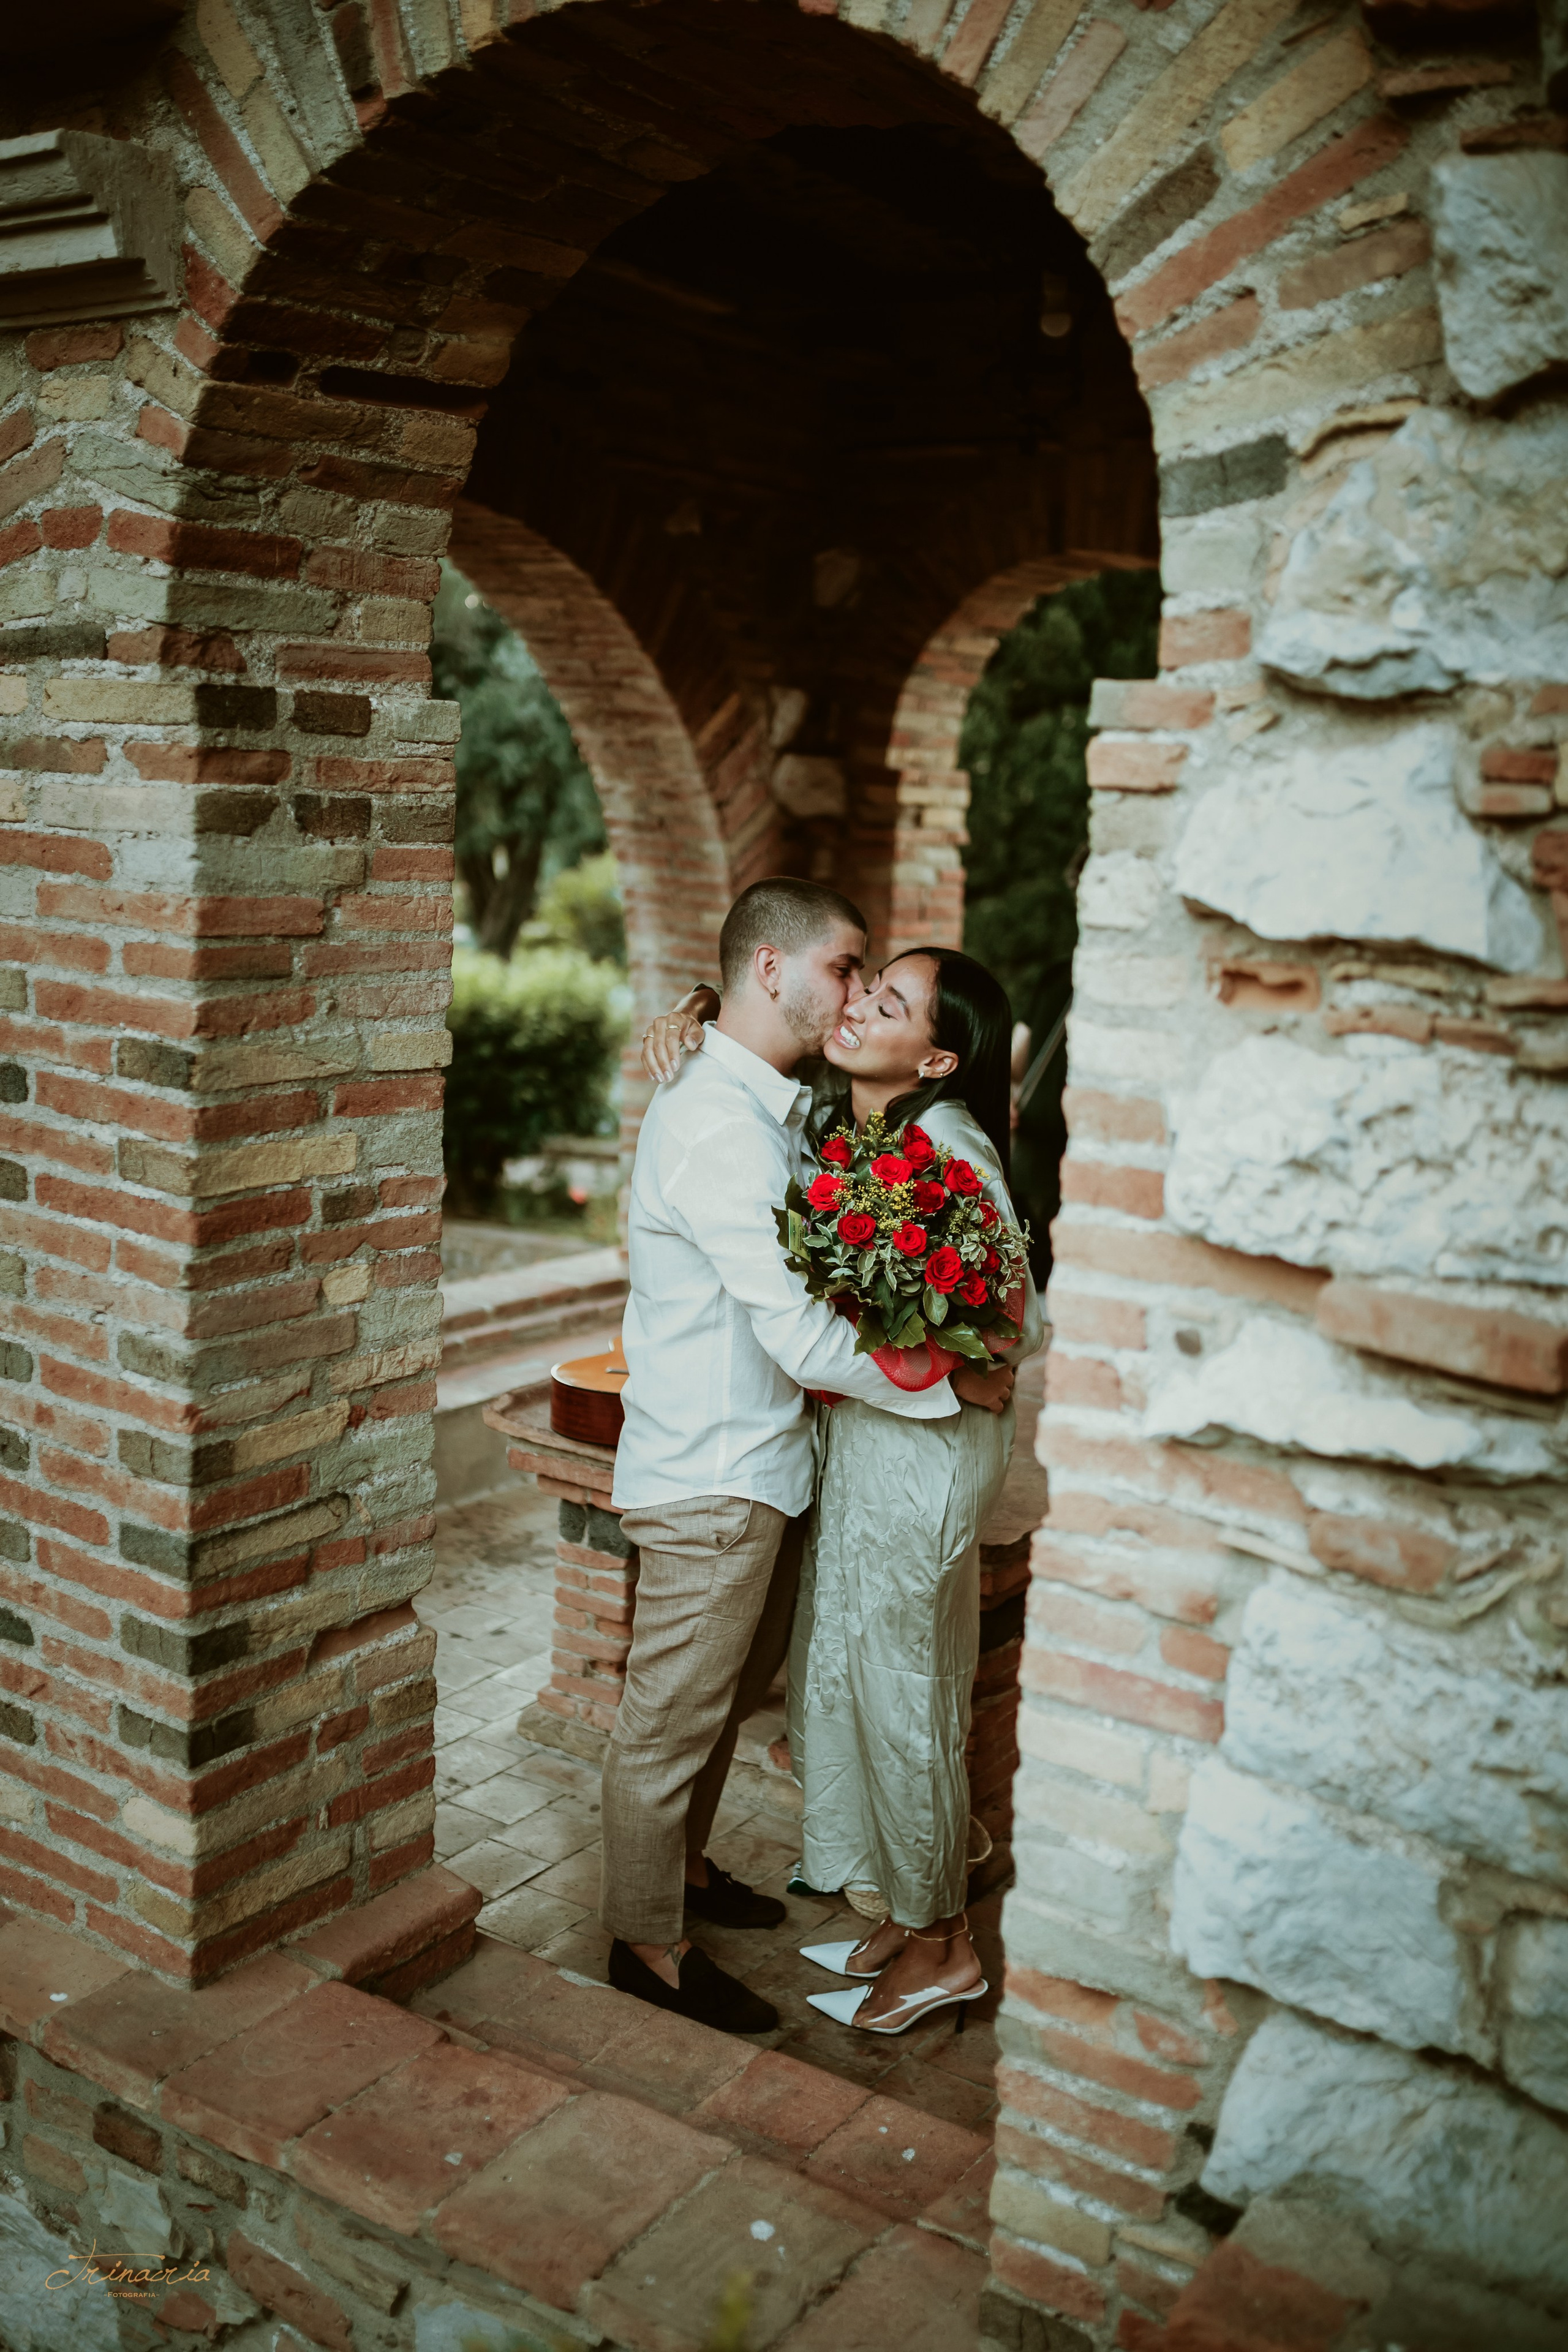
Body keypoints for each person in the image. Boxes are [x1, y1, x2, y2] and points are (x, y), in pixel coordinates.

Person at [604, 881, 1015, 2035]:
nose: (855, 995)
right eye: (849, 969)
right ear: (779, 969)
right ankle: (646, 1943)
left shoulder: (773, 1103)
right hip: (714, 1472)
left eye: (878, 987)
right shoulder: (720, 1122)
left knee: (721, 1704)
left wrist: (698, 1008)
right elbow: (795, 1332)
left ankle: (683, 1880)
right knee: (668, 1724)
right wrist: (944, 1380)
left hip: (771, 1468)